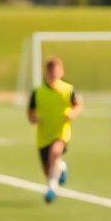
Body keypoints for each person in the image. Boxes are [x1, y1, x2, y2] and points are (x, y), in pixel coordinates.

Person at [28, 56, 82, 204]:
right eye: (51, 71)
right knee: (47, 169)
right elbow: (30, 111)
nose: (53, 74)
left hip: (61, 133)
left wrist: (72, 113)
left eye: (56, 71)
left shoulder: (68, 89)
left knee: (54, 153)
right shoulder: (38, 92)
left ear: (61, 72)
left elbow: (78, 104)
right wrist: (33, 118)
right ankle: (61, 168)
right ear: (46, 72)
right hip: (43, 135)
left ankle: (52, 188)